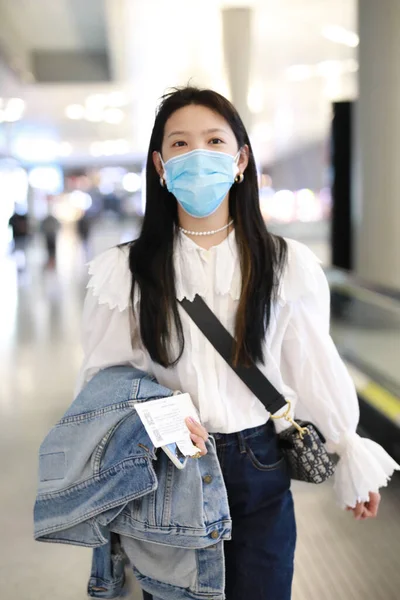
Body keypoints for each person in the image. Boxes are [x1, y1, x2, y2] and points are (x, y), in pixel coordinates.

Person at [77, 87, 399, 600]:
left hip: (259, 464)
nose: (197, 155)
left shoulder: (283, 263)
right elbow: (104, 382)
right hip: (169, 470)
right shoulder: (126, 271)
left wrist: (347, 452)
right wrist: (159, 416)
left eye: (213, 140)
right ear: (160, 165)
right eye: (180, 144)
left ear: (241, 158)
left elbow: (312, 364)